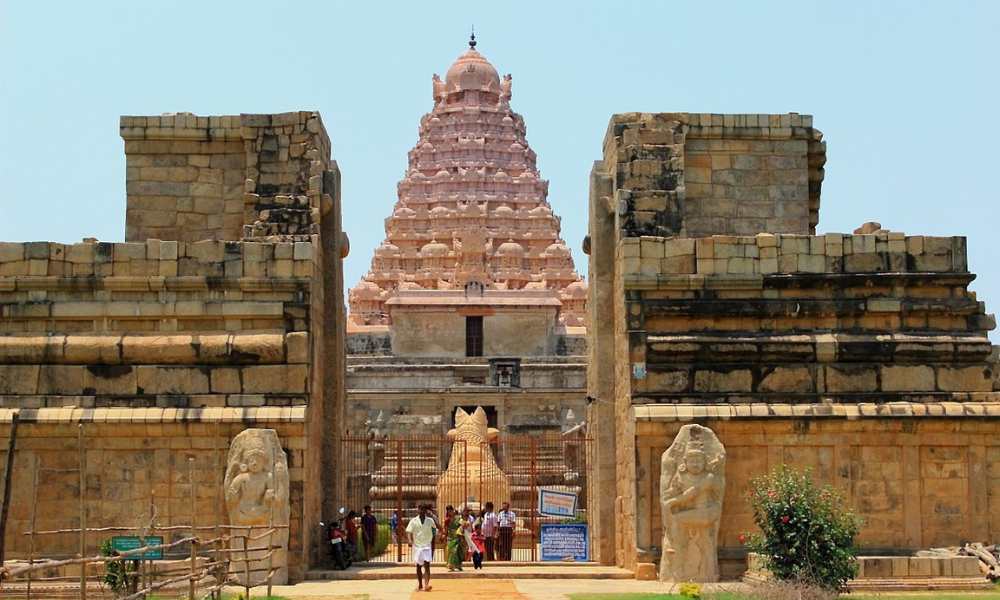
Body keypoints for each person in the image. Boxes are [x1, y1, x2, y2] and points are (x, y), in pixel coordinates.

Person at [406, 504, 437, 592]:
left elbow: (434, 531)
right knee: (419, 566)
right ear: (418, 510)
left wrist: (433, 543)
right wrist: (409, 540)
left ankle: (426, 585)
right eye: (420, 509)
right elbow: (409, 531)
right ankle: (420, 585)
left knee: (427, 565)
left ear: (425, 510)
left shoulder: (430, 520)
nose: (422, 511)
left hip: (427, 545)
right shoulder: (413, 521)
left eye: (423, 509)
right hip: (417, 546)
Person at [444, 505, 467, 571]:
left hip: (458, 537)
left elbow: (462, 526)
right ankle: (451, 565)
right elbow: (445, 530)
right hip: (450, 537)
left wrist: (463, 526)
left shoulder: (458, 518)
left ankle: (458, 565)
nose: (450, 512)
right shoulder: (447, 520)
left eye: (451, 511)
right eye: (448, 511)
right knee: (452, 551)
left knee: (458, 551)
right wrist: (445, 537)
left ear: (453, 510)